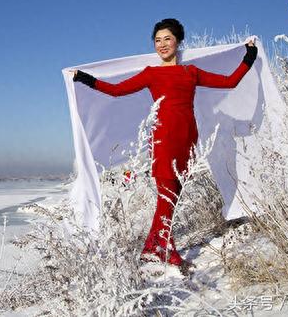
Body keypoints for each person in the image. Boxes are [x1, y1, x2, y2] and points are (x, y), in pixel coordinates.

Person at [72, 18, 257, 271]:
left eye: (167, 39)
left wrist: (249, 56)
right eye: (157, 40)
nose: (162, 44)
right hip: (163, 139)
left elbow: (229, 81)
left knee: (171, 198)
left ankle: (151, 248)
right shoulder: (152, 73)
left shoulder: (190, 72)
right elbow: (116, 90)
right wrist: (85, 78)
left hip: (188, 139)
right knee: (166, 197)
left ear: (178, 41)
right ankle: (166, 251)